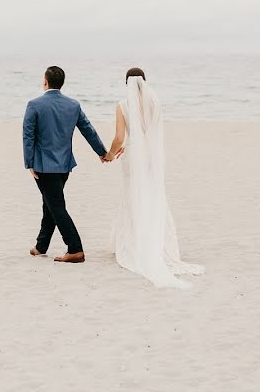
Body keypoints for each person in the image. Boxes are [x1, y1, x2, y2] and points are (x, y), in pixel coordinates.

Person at [103, 67, 205, 288]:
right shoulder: (155, 104)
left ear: (126, 83)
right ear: (145, 83)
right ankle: (158, 242)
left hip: (133, 157)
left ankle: (135, 242)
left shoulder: (122, 106)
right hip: (153, 158)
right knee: (153, 195)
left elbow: (120, 137)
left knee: (133, 196)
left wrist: (109, 155)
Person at [22, 66, 112, 263]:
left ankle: (75, 248)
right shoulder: (73, 105)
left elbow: (28, 135)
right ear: (61, 83)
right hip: (64, 165)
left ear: (45, 81)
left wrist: (29, 162)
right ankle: (41, 246)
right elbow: (88, 129)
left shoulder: (34, 104)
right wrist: (102, 152)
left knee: (55, 205)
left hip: (43, 166)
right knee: (50, 203)